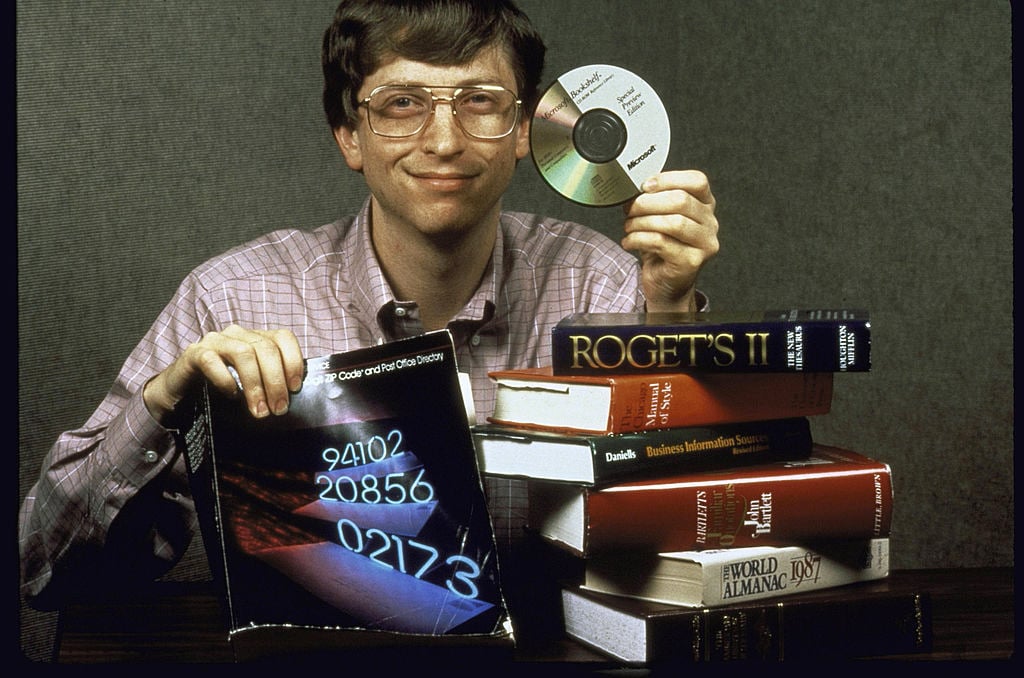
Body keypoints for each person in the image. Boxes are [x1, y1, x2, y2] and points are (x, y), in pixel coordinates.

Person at [19, 0, 719, 614]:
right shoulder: (229, 298)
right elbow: (43, 568)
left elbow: (692, 543)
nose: (443, 141)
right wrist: (166, 402)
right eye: (401, 103)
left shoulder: (601, 286)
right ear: (349, 134)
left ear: (522, 131)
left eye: (480, 101)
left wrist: (669, 311)